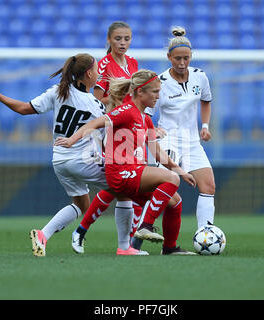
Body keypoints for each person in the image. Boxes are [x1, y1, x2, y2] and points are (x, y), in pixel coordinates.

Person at [0, 53, 148, 257]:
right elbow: (105, 139)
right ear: (88, 74)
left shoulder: (59, 91)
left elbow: (24, 109)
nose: (98, 74)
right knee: (124, 192)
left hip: (59, 160)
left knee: (81, 204)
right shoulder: (95, 106)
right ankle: (124, 247)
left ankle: (43, 235)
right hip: (83, 160)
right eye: (96, 71)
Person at [56, 69, 198, 255]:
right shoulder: (127, 111)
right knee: (171, 179)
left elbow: (157, 153)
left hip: (133, 174)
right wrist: (72, 140)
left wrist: (181, 170)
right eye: (154, 91)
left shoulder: (145, 119)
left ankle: (169, 247)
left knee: (175, 201)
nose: (158, 96)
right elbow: (95, 123)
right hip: (120, 173)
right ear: (140, 92)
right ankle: (145, 227)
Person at [134, 26, 215, 249]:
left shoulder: (200, 77)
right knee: (169, 192)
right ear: (169, 57)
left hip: (192, 142)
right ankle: (139, 235)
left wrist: (205, 125)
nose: (182, 62)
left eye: (186, 58)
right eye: (177, 58)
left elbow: (206, 101)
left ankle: (205, 236)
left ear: (191, 57)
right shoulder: (160, 82)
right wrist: (154, 131)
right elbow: (145, 113)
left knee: (208, 186)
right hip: (168, 141)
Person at [71, 21, 144, 253]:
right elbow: (98, 100)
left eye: (127, 39)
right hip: (113, 128)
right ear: (109, 40)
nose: (123, 43)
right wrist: (120, 102)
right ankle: (127, 241)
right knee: (122, 182)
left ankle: (123, 240)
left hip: (131, 127)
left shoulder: (133, 63)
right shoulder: (103, 65)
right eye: (118, 39)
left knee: (123, 185)